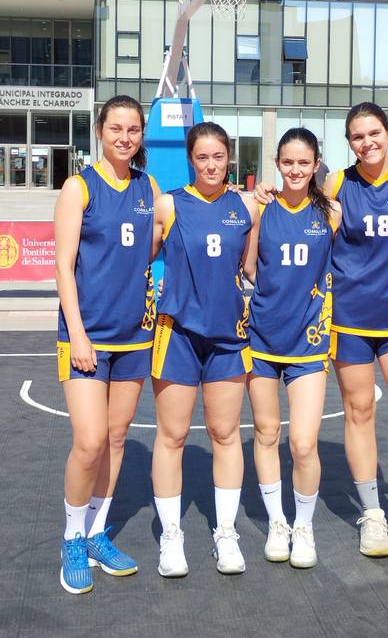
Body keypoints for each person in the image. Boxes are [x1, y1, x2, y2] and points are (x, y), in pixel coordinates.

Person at [256, 103, 388, 564]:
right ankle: (373, 515)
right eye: (358, 137)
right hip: (347, 323)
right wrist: (264, 196)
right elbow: (294, 202)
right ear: (348, 143)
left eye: (374, 133)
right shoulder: (338, 185)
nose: (368, 142)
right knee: (359, 413)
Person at [54, 95, 159, 594]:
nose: (125, 136)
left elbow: (165, 229)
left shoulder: (148, 185)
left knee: (116, 440)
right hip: (87, 336)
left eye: (133, 129)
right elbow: (63, 267)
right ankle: (72, 537)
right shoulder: (79, 187)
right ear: (101, 131)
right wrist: (76, 333)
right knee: (90, 441)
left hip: (136, 335)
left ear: (141, 135)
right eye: (116, 127)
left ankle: (97, 532)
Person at [150, 122, 259, 577]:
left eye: (219, 157)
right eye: (202, 157)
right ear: (190, 160)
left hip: (228, 338)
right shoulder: (168, 204)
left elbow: (251, 269)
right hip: (177, 335)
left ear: (229, 158)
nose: (211, 165)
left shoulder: (247, 207)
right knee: (172, 436)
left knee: (226, 435)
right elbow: (139, 261)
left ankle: (226, 534)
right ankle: (171, 538)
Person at [245, 128, 341, 569]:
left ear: (317, 163)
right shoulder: (262, 209)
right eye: (288, 162)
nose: (296, 170)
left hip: (309, 341)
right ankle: (277, 522)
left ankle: (304, 526)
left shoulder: (332, 213)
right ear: (277, 163)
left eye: (305, 162)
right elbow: (248, 268)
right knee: (267, 435)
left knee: (303, 443)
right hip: (262, 337)